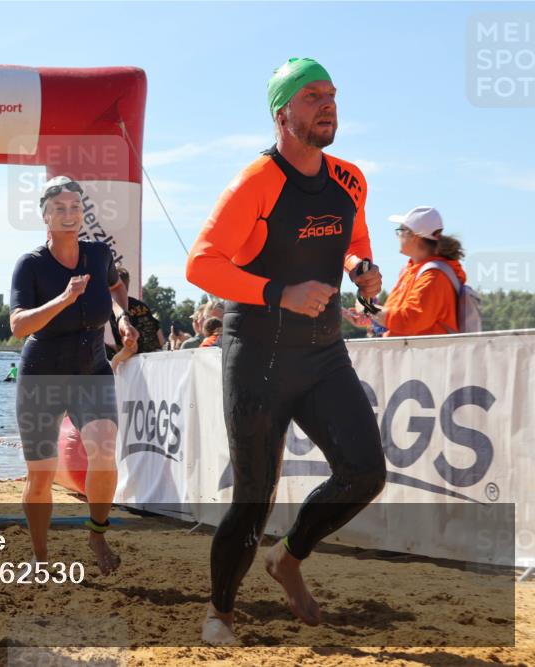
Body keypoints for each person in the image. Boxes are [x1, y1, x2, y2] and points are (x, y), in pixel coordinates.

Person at [185, 58, 387, 644]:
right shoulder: (255, 181)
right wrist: (279, 291)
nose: (328, 104)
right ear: (282, 114)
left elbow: (354, 242)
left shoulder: (351, 178)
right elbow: (200, 263)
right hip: (258, 357)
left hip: (323, 354)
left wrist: (363, 271)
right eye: (312, 97)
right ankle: (219, 612)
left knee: (365, 473)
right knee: (254, 496)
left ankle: (289, 556)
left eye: (331, 95)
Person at [10, 175, 139, 575]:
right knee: (41, 473)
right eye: (60, 209)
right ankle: (40, 558)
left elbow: (117, 288)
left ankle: (98, 532)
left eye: (75, 208)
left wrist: (121, 317)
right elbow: (18, 325)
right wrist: (64, 299)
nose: (69, 215)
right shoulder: (30, 265)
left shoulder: (98, 254)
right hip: (42, 374)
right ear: (46, 216)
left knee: (103, 449)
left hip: (91, 368)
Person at [346, 206, 467, 337]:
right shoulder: (412, 270)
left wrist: (367, 309)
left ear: (413, 236)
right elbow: (398, 321)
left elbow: (408, 320)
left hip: (424, 356)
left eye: (400, 231)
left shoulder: (434, 276)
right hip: (411, 354)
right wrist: (370, 322)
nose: (398, 236)